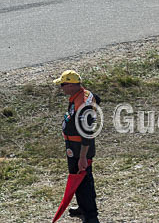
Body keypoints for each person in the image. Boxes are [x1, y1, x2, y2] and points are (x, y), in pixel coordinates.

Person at [54, 69, 100, 223]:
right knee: (79, 180)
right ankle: (83, 208)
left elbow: (87, 133)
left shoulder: (83, 104)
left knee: (83, 181)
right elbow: (97, 99)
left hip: (80, 149)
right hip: (75, 147)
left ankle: (91, 216)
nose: (61, 88)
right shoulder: (82, 95)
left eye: (62, 85)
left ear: (71, 85)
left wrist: (82, 157)